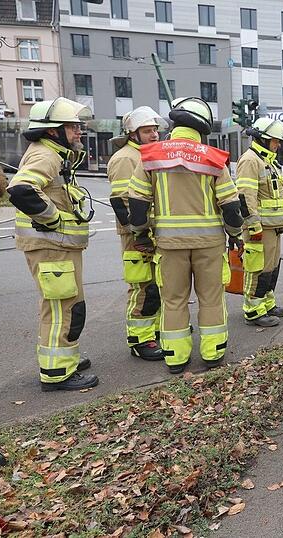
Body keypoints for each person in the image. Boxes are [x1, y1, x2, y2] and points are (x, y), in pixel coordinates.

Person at [127, 97, 244, 373]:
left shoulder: (150, 156)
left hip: (168, 245)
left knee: (173, 300)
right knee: (212, 298)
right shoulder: (214, 158)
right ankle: (213, 353)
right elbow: (230, 206)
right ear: (202, 126)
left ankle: (176, 357)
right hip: (209, 245)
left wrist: (141, 235)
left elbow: (137, 206)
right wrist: (236, 234)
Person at [6, 97, 99, 391]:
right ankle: (57, 373)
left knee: (69, 306)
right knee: (62, 309)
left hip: (57, 247)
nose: (78, 131)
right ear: (51, 131)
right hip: (51, 246)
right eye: (72, 126)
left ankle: (65, 359)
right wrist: (53, 219)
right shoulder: (46, 155)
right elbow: (21, 189)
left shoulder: (54, 154)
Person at [107, 106, 167, 361]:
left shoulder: (146, 155)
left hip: (150, 233)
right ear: (132, 134)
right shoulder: (125, 159)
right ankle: (140, 340)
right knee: (142, 288)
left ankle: (153, 332)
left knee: (156, 287)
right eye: (147, 130)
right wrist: (140, 236)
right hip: (136, 236)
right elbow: (123, 203)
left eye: (155, 130)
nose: (154, 134)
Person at [235, 117, 283, 327]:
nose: (278, 144)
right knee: (258, 269)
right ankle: (253, 310)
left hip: (274, 227)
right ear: (263, 139)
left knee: (272, 268)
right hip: (260, 228)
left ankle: (267, 304)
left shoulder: (267, 160)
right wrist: (253, 226)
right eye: (275, 140)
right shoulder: (250, 161)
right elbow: (245, 197)